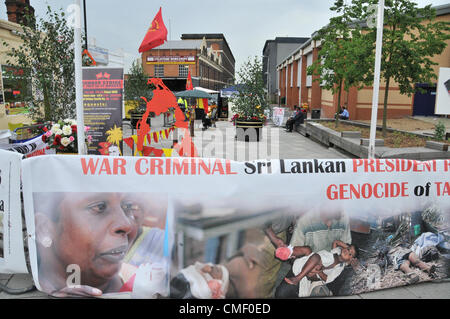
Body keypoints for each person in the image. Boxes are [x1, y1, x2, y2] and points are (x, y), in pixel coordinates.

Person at [33, 192, 168, 298]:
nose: (127, 224)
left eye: (126, 206)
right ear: (44, 228)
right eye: (99, 207)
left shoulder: (141, 280)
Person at [275, 204, 353, 297]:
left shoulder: (343, 217)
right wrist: (309, 270)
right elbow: (294, 259)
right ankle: (288, 251)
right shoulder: (305, 220)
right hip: (306, 263)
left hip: (330, 268)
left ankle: (319, 286)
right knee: (282, 293)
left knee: (344, 289)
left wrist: (324, 270)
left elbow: (348, 250)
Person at [170, 244, 275, 299]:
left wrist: (249, 250)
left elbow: (246, 247)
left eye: (198, 267)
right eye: (204, 276)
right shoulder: (253, 291)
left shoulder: (224, 270)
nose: (207, 267)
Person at [282, 240, 357, 298]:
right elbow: (336, 242)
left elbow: (327, 279)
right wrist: (346, 246)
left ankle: (297, 279)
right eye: (348, 249)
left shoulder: (339, 268)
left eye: (350, 254)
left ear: (350, 259)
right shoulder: (336, 251)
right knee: (307, 249)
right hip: (309, 261)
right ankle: (288, 251)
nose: (347, 252)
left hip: (314, 272)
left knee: (316, 257)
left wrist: (319, 271)